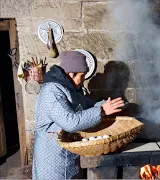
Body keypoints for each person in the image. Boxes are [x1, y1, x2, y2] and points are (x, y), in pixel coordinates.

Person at [32, 51, 125, 179]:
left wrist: (109, 104)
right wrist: (102, 110)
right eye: (82, 75)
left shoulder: (72, 90)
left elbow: (88, 106)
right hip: (52, 157)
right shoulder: (52, 90)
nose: (83, 80)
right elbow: (70, 122)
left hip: (69, 155)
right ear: (71, 73)